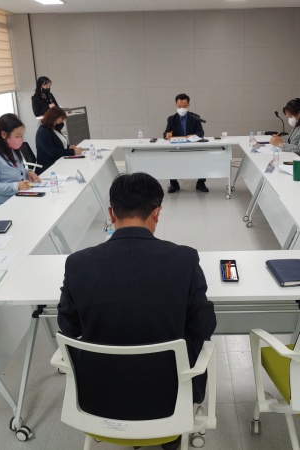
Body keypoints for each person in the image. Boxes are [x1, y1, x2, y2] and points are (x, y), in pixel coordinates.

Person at [57, 173, 216, 450]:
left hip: (99, 398)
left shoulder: (77, 264)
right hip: (170, 399)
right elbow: (204, 326)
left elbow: (69, 327)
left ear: (111, 213)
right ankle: (170, 438)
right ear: (157, 213)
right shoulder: (184, 259)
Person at [0, 113, 40, 214]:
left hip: (17, 198)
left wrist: (27, 172)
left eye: (21, 135)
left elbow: (13, 169)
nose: (20, 139)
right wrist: (16, 186)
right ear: (4, 134)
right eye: (17, 136)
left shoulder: (10, 148)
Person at [162, 93, 207, 193]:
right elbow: (165, 133)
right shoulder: (171, 119)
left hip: (192, 147)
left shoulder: (195, 117)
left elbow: (201, 133)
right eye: (179, 106)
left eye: (184, 106)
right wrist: (167, 134)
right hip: (177, 147)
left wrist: (192, 136)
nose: (182, 108)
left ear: (188, 105)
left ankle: (201, 183)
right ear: (175, 105)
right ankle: (174, 184)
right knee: (170, 158)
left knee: (202, 156)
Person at [35, 107, 83, 174]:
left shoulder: (54, 128)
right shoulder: (43, 132)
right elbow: (52, 152)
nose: (63, 120)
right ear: (54, 117)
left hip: (59, 161)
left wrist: (68, 147)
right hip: (49, 167)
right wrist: (73, 152)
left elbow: (57, 144)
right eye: (61, 118)